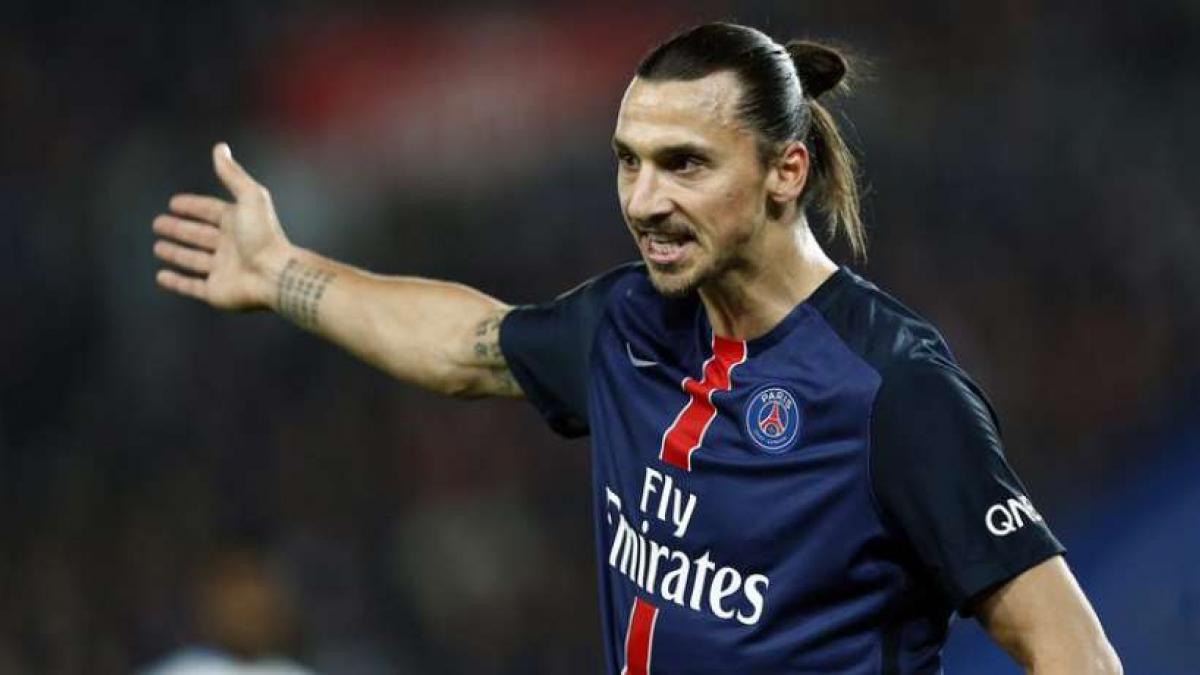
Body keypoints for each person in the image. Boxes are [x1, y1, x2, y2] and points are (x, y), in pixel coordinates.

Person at [153, 22, 1121, 675]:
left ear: (786, 172)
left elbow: (1072, 650)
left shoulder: (892, 389)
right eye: (630, 162)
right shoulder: (627, 324)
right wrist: (285, 273)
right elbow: (464, 347)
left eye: (684, 164)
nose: (645, 201)